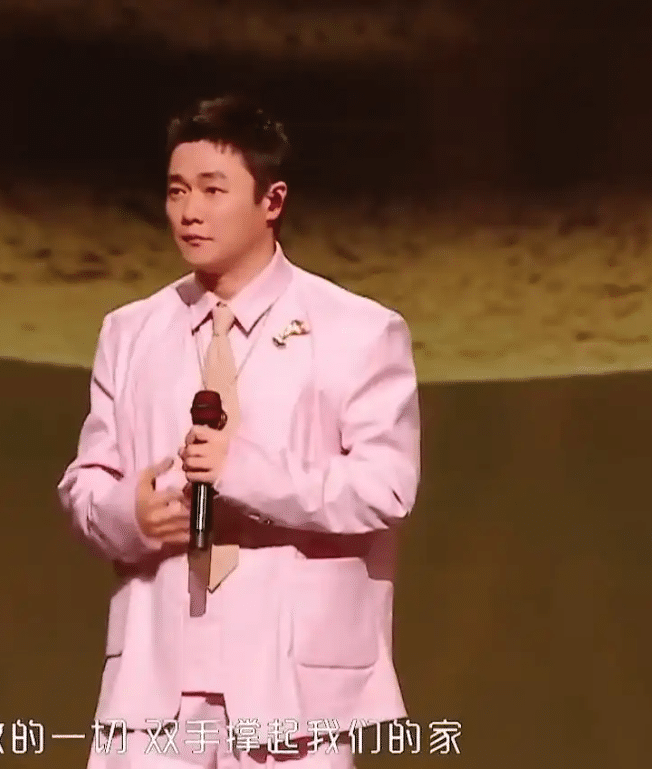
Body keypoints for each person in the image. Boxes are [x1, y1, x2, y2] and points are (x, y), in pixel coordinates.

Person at [57, 94, 421, 768]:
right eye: (176, 190)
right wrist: (130, 514)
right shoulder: (130, 331)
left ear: (271, 200)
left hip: (292, 689)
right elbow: (86, 484)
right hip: (154, 684)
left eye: (212, 189)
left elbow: (386, 487)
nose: (189, 211)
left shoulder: (359, 330)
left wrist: (243, 470)